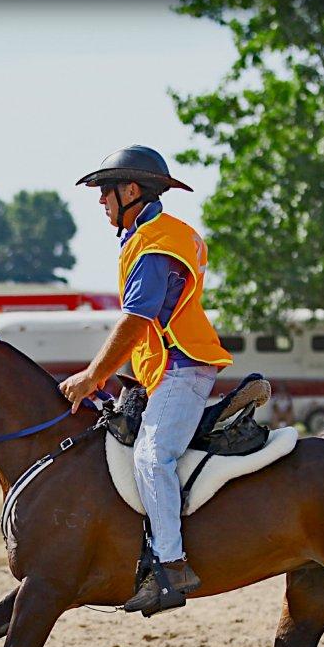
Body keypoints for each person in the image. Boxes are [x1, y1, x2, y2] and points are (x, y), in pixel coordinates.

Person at [59, 146, 232, 614]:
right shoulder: (154, 234)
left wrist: (93, 375)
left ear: (132, 190)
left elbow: (136, 320)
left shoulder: (155, 242)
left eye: (106, 191)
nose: (101, 201)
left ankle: (172, 568)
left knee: (153, 459)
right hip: (167, 369)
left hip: (182, 368)